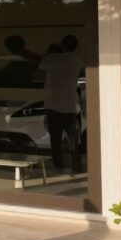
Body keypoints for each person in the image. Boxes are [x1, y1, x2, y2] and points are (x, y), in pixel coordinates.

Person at [39, 35, 85, 174]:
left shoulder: (53, 59)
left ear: (62, 44)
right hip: (70, 106)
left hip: (52, 106)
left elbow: (40, 65)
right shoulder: (77, 60)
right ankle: (76, 167)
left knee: (55, 140)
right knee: (73, 141)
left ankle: (58, 166)